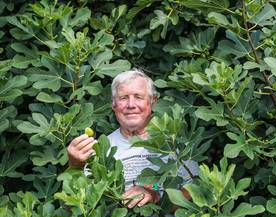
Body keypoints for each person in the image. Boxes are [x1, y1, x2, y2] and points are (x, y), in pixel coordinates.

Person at [67, 68, 197, 208]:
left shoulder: (174, 140)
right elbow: (71, 207)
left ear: (153, 101)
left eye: (138, 97)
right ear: (113, 104)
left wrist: (155, 195)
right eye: (123, 98)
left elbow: (196, 192)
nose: (131, 105)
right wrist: (75, 166)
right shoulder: (100, 148)